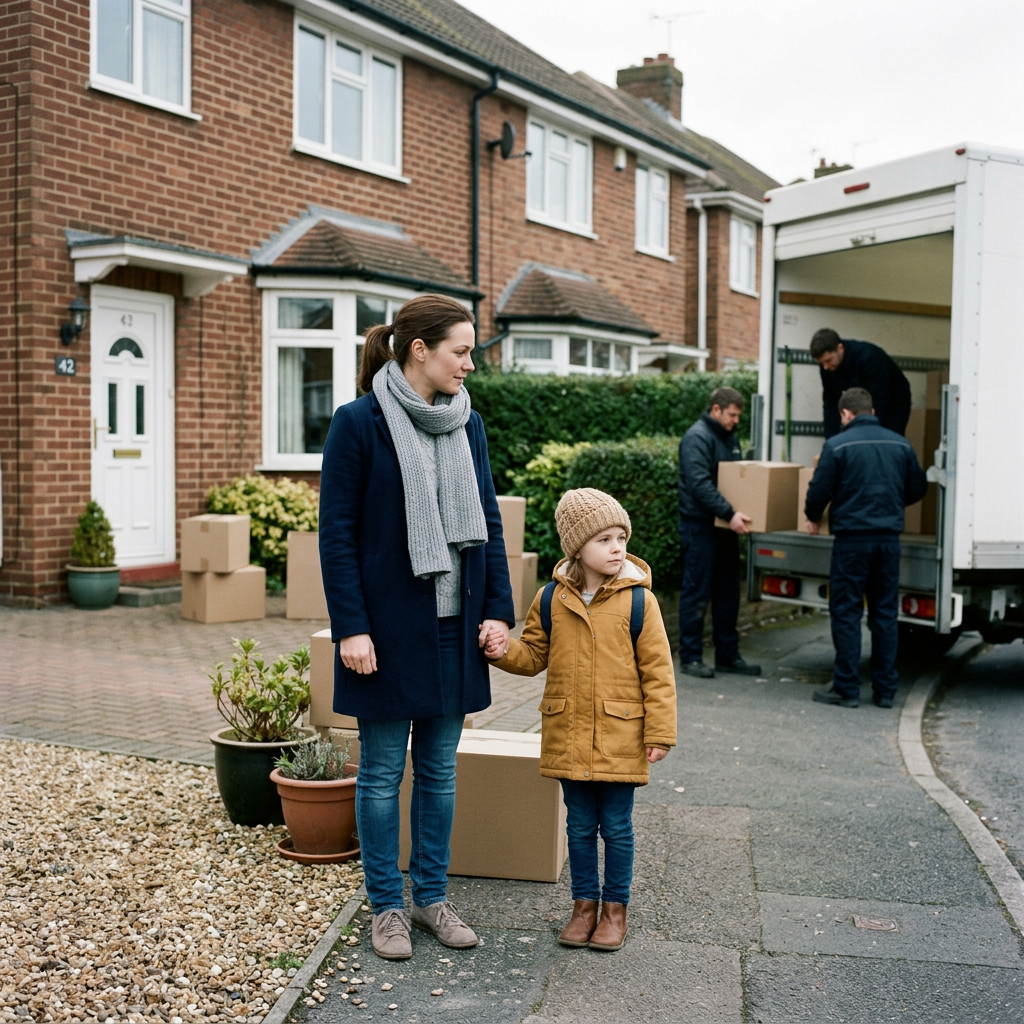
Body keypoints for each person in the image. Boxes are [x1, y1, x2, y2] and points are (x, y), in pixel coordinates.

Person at [318, 294, 515, 961]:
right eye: (461, 350)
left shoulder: (469, 424)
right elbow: (337, 536)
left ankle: (431, 899)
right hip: (385, 628)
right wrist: (351, 626)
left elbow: (486, 522)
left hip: (454, 628)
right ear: (419, 349)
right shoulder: (358, 424)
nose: (469, 364)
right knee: (378, 773)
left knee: (438, 770)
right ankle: (385, 908)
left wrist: (496, 610)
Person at [484, 488, 676, 952]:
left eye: (620, 538)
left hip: (621, 735)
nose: (616, 548)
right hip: (569, 733)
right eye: (604, 540)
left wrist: (661, 732)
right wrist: (501, 649)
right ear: (577, 548)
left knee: (617, 826)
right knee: (578, 826)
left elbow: (658, 671)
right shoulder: (551, 599)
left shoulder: (638, 603)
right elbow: (532, 656)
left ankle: (614, 911)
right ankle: (583, 907)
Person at [804, 387, 927, 708]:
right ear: (871, 411)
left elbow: (819, 490)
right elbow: (917, 487)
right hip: (888, 541)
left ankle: (846, 688)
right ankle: (886, 691)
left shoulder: (837, 445)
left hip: (851, 541)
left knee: (846, 612)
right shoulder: (900, 443)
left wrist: (812, 517)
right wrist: (891, 502)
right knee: (885, 613)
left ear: (846, 414)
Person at [677, 386, 762, 679]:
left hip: (724, 527)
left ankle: (728, 655)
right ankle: (690, 657)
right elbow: (700, 485)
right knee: (697, 592)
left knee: (728, 594)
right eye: (732, 415)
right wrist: (730, 513)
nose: (736, 421)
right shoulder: (697, 438)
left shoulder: (729, 437)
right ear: (716, 409)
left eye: (738, 415)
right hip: (700, 526)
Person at [810, 328, 912, 438]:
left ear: (840, 348)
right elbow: (830, 403)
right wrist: (831, 442)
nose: (825, 367)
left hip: (895, 398)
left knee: (886, 438)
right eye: (821, 363)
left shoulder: (868, 357)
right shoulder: (827, 367)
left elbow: (880, 400)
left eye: (828, 360)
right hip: (869, 395)